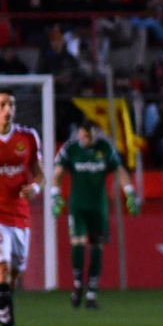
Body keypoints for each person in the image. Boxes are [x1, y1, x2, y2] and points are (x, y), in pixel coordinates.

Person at [51, 120, 137, 311]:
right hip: (78, 206)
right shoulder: (70, 149)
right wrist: (54, 196)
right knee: (79, 244)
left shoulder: (105, 148)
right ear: (78, 133)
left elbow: (119, 170)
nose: (86, 138)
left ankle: (91, 293)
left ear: (95, 134)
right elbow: (57, 173)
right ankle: (77, 284)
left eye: (90, 134)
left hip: (98, 207)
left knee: (97, 247)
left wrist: (129, 192)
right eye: (83, 134)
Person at [0, 90, 42, 326]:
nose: (8, 109)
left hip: (19, 217)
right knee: (0, 272)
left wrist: (36, 189)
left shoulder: (27, 137)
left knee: (9, 282)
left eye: (12, 104)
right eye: (2, 104)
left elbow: (38, 173)